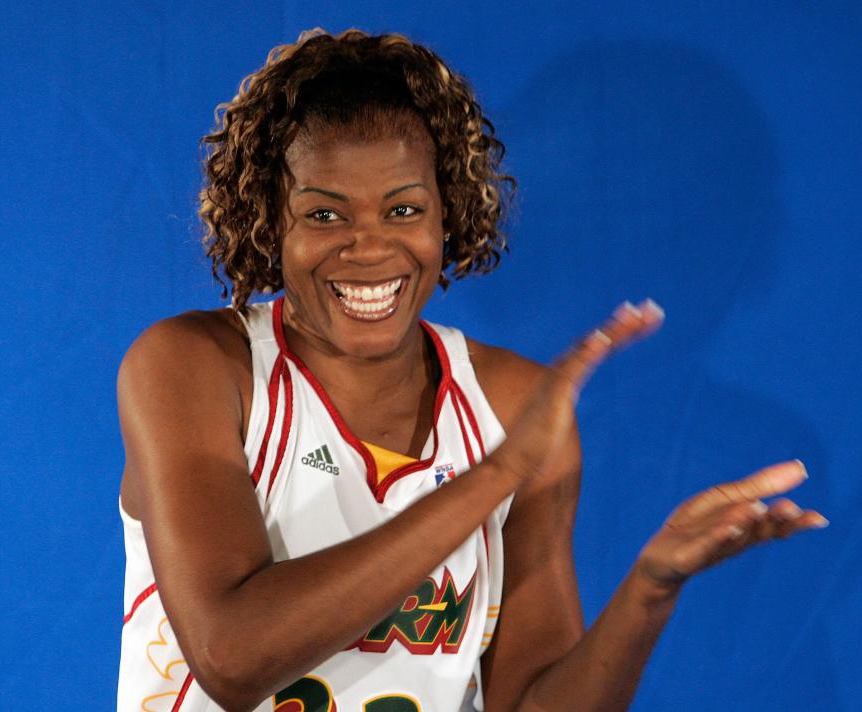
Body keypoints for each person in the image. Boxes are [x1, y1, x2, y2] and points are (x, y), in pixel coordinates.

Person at [115, 28, 827, 712]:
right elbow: (232, 657)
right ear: (269, 222)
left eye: (403, 209)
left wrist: (651, 585)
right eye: (326, 216)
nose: (369, 247)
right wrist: (494, 476)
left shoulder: (513, 403)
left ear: (449, 215)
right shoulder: (197, 367)